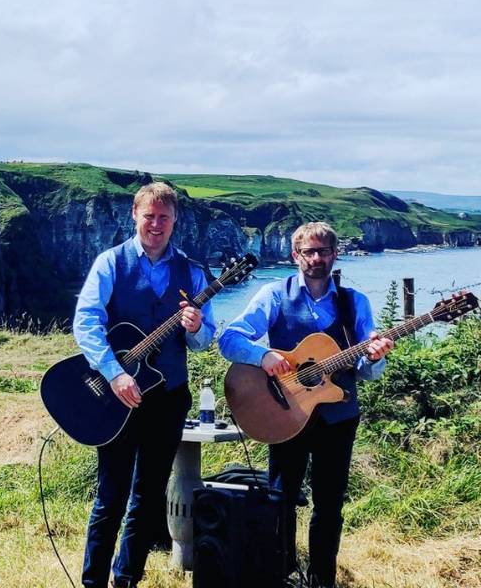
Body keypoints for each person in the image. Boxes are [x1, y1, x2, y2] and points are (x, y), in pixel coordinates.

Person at [218, 221, 395, 588]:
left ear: (335, 254)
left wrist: (375, 356)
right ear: (295, 255)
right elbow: (230, 339)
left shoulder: (354, 302)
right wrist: (263, 355)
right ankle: (279, 576)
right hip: (284, 412)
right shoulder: (273, 294)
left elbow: (367, 372)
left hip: (338, 416)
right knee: (280, 500)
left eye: (323, 251)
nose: (316, 258)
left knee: (329, 506)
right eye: (309, 252)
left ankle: (321, 580)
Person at [73, 182, 215, 588]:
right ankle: (92, 581)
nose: (156, 224)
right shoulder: (110, 263)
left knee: (149, 494)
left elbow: (204, 341)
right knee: (110, 495)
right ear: (134, 215)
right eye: (149, 216)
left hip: (168, 396)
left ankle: (127, 578)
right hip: (117, 397)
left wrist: (196, 327)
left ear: (175, 222)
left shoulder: (192, 272)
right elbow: (86, 325)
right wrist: (114, 373)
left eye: (164, 218)